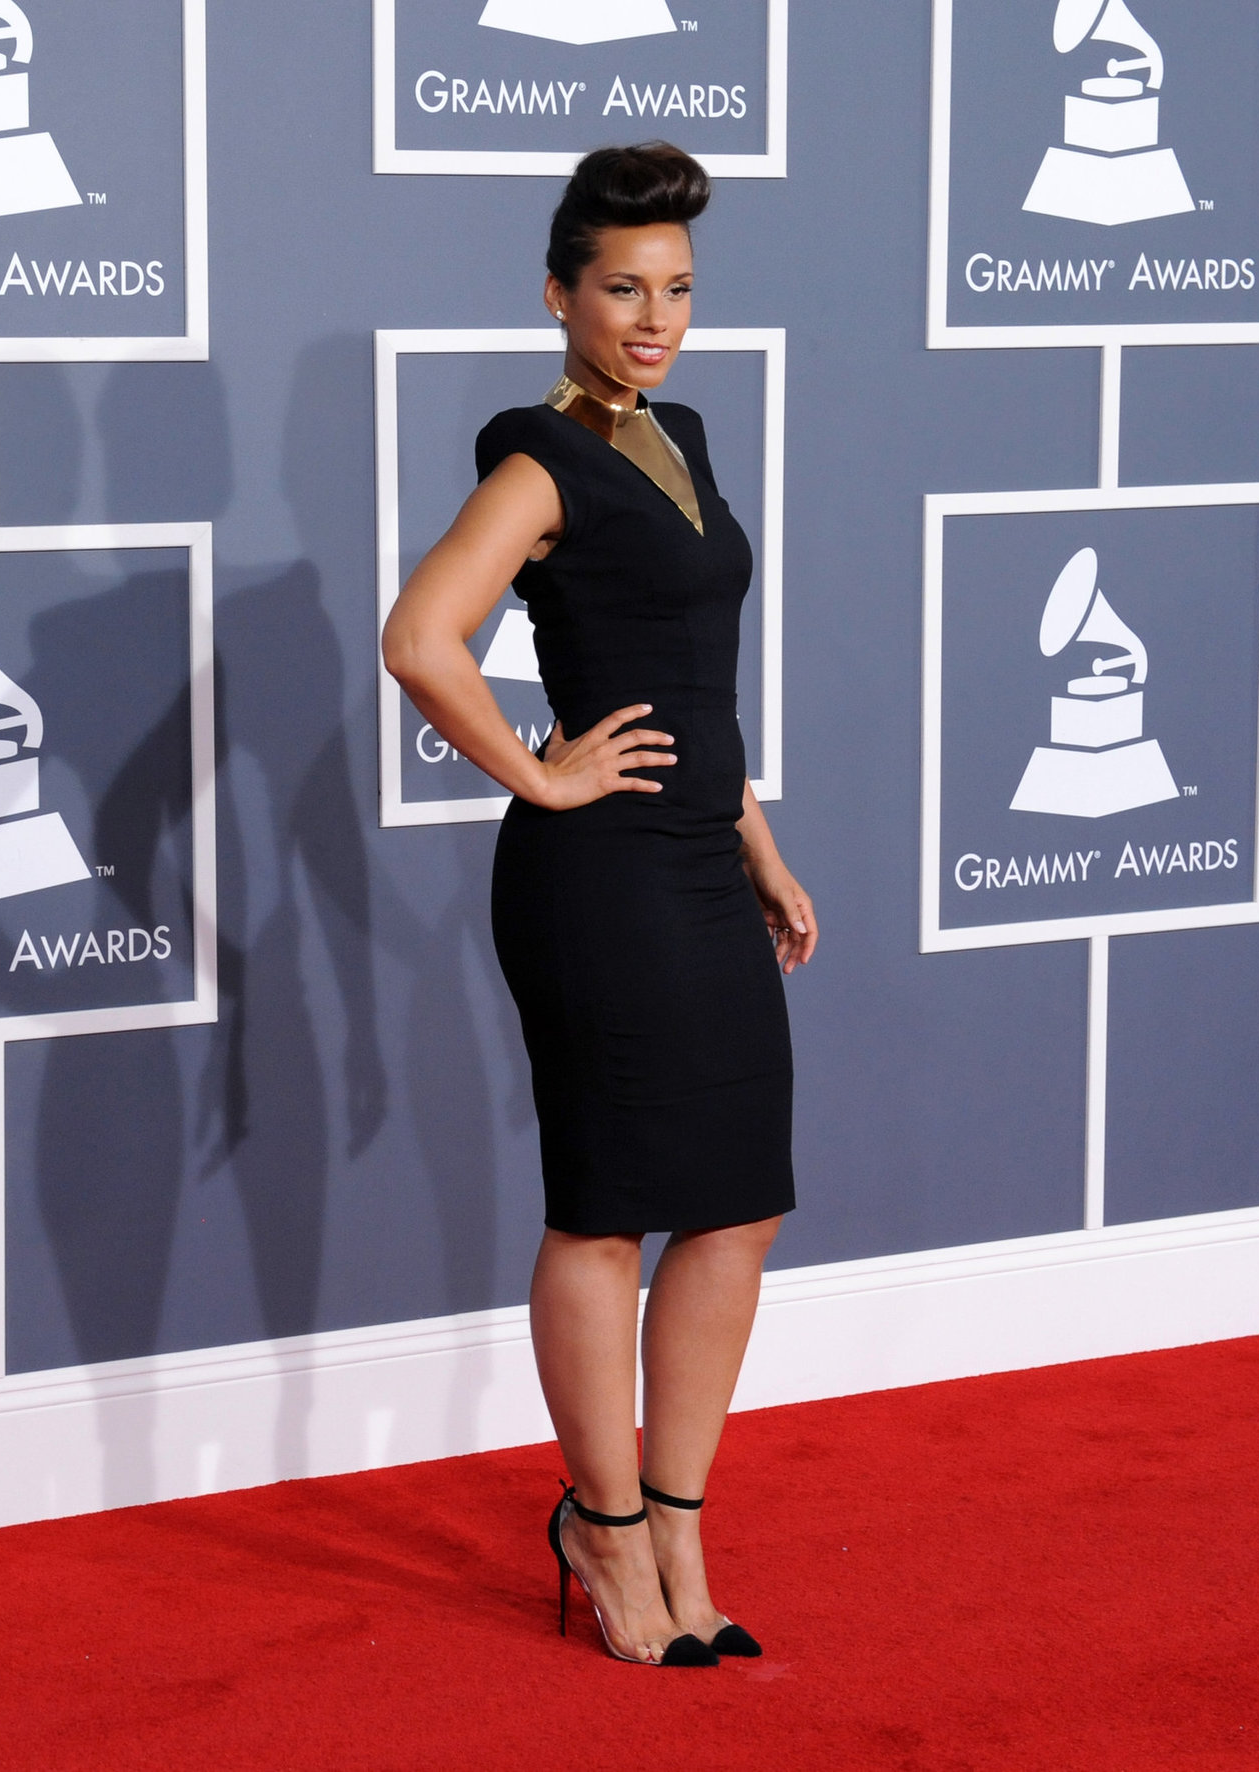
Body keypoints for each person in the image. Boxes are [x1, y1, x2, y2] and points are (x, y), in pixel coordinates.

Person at [382, 142, 816, 1668]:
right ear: (557, 295)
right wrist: (538, 773)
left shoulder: (676, 434)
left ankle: (679, 1520)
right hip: (601, 881)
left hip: (700, 855)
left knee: (738, 1203)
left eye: (677, 290)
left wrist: (758, 846)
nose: (654, 319)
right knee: (608, 1206)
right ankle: (606, 1527)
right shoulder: (537, 459)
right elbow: (421, 637)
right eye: (622, 289)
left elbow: (690, 684)